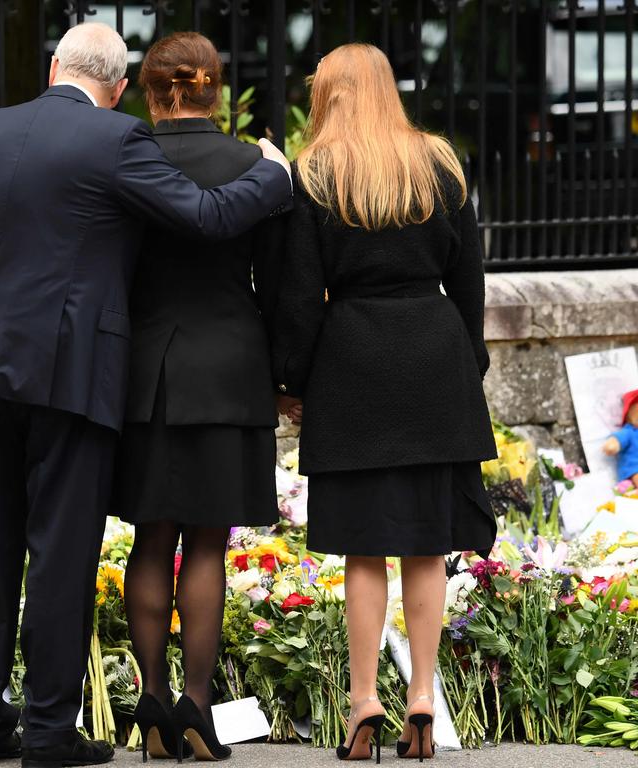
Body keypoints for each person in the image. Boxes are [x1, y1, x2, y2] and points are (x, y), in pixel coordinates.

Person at [0, 22, 292, 768]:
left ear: (54, 67)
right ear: (117, 90)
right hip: (68, 378)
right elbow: (206, 217)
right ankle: (48, 732)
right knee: (59, 555)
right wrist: (271, 175)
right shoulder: (116, 141)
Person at [271, 44, 497, 762]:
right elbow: (469, 284)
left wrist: (293, 381)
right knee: (425, 545)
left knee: (363, 549)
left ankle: (365, 696)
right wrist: (468, 367)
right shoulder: (439, 163)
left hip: (352, 363)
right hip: (434, 355)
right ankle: (422, 693)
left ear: (328, 94)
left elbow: (302, 298)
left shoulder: (315, 175)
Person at [113, 32, 285, 763]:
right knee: (208, 541)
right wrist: (288, 376)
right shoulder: (256, 166)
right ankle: (196, 704)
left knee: (152, 537)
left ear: (152, 92)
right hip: (230, 368)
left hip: (145, 371)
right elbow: (280, 289)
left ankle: (151, 701)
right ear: (217, 92)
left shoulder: (123, 159)